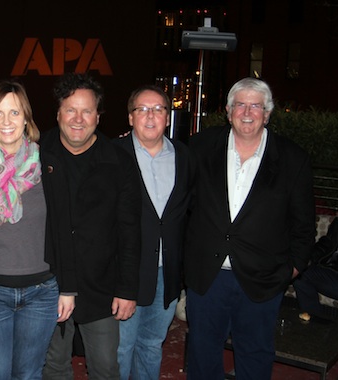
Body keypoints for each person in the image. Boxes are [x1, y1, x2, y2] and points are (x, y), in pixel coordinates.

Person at [183, 77, 316, 380]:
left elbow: (304, 225)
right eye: (240, 104)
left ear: (268, 113)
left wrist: (291, 270)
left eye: (255, 105)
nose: (247, 112)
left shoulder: (293, 158)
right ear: (228, 111)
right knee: (202, 356)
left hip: (263, 279)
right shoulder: (200, 147)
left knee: (255, 356)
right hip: (208, 277)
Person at [0, 80, 75, 379]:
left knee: (28, 375)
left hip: (42, 293)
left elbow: (64, 229)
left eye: (14, 113)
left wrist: (67, 288)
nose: (6, 122)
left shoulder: (49, 166)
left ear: (26, 118)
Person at [39, 73, 141, 379]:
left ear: (98, 116)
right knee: (54, 367)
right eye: (71, 110)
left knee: (106, 368)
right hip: (49, 285)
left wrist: (127, 289)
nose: (78, 119)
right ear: (58, 113)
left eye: (87, 111)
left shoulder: (119, 162)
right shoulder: (35, 153)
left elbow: (130, 230)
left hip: (102, 288)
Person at [114, 85, 193, 380]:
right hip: (126, 273)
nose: (150, 116)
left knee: (152, 345)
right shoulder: (111, 153)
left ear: (168, 117)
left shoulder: (185, 156)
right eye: (142, 109)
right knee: (121, 348)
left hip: (167, 272)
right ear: (130, 118)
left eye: (158, 109)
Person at [293, 208, 338, 321]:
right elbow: (326, 243)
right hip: (335, 277)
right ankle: (313, 319)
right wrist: (307, 259)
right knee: (301, 273)